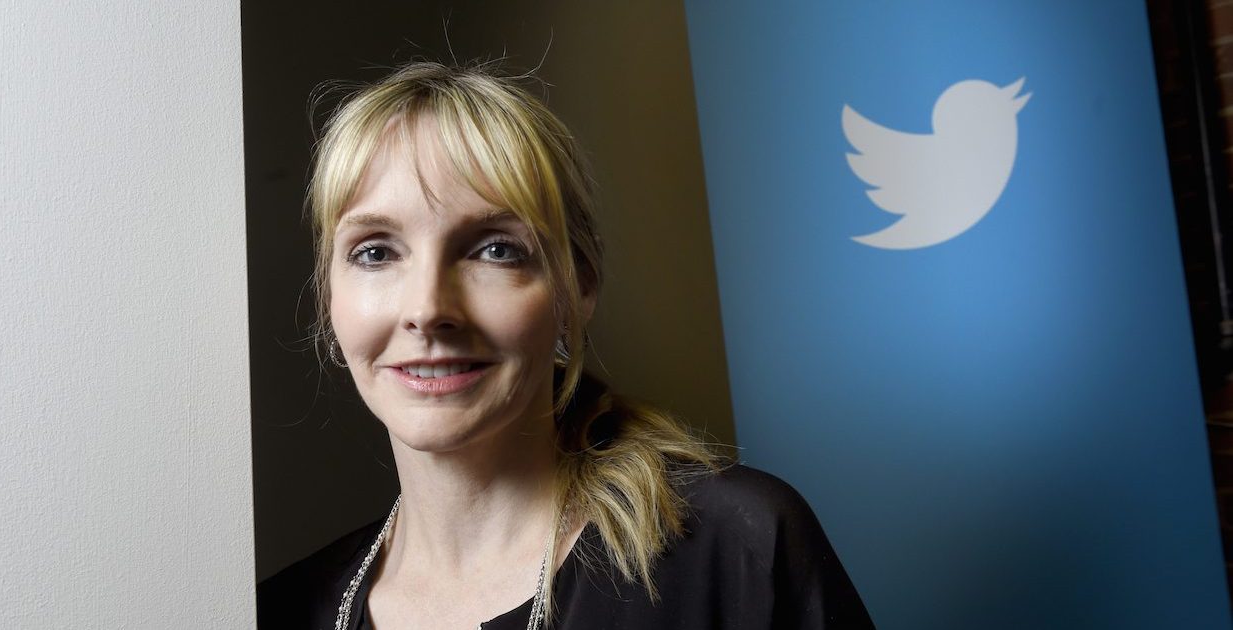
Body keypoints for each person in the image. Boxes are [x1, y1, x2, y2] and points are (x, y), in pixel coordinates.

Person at [257, 61, 873, 630]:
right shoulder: (277, 612)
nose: (427, 310)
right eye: (375, 252)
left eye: (495, 249)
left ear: (577, 288)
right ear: (327, 298)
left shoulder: (739, 548)